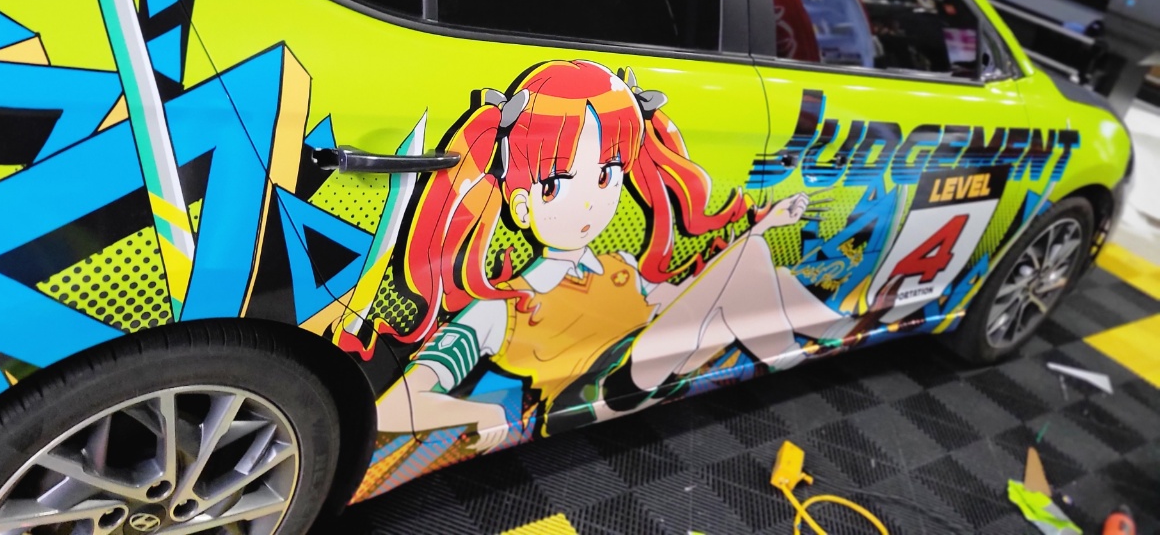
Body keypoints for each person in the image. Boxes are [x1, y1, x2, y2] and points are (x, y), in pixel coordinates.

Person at [351, 60, 849, 450]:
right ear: (520, 205)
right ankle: (825, 345)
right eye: (556, 183)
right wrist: (482, 414)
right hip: (596, 390)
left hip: (654, 357)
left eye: (608, 175)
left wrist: (766, 223)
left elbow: (688, 298)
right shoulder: (503, 306)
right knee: (753, 261)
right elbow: (396, 405)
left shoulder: (618, 267)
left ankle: (831, 338)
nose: (592, 201)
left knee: (763, 271)